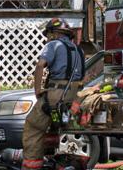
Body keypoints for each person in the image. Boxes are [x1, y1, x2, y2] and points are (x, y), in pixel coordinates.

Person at [21, 18, 84, 170]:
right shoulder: (79, 50)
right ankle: (67, 163)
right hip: (74, 97)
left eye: (48, 34)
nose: (47, 38)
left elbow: (40, 65)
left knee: (33, 127)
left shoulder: (53, 45)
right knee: (65, 130)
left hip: (55, 94)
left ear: (55, 33)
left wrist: (37, 91)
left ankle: (32, 166)